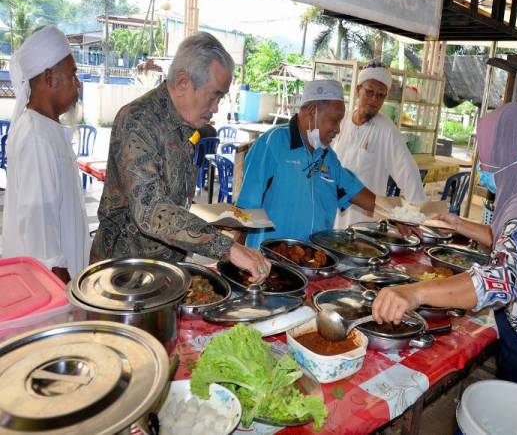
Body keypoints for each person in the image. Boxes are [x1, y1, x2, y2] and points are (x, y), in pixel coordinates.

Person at [372, 103, 517, 433]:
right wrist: (460, 224)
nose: (483, 163)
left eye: (488, 153)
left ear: (509, 152)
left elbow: (500, 281)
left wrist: (415, 292)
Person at [90, 32, 270, 282]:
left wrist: (210, 227)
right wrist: (226, 247)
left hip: (163, 271)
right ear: (184, 83)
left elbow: (172, 202)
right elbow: (150, 210)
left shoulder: (184, 126)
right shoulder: (138, 120)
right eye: (214, 95)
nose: (216, 107)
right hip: (122, 276)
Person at [237, 79, 398, 249]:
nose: (338, 129)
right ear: (313, 111)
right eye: (335, 120)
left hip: (314, 261)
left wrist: (399, 215)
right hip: (270, 261)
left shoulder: (328, 157)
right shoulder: (272, 144)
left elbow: (358, 193)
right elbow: (246, 210)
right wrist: (236, 258)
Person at [2, 25, 89, 284]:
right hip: (50, 288)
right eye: (73, 75)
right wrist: (65, 299)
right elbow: (41, 239)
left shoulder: (46, 129)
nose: (78, 84)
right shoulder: (36, 136)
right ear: (50, 78)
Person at [331, 61, 425, 229]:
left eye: (381, 95)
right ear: (358, 90)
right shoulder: (342, 121)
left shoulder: (387, 131)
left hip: (362, 226)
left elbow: (410, 176)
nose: (374, 99)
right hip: (331, 218)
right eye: (369, 92)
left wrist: (411, 218)